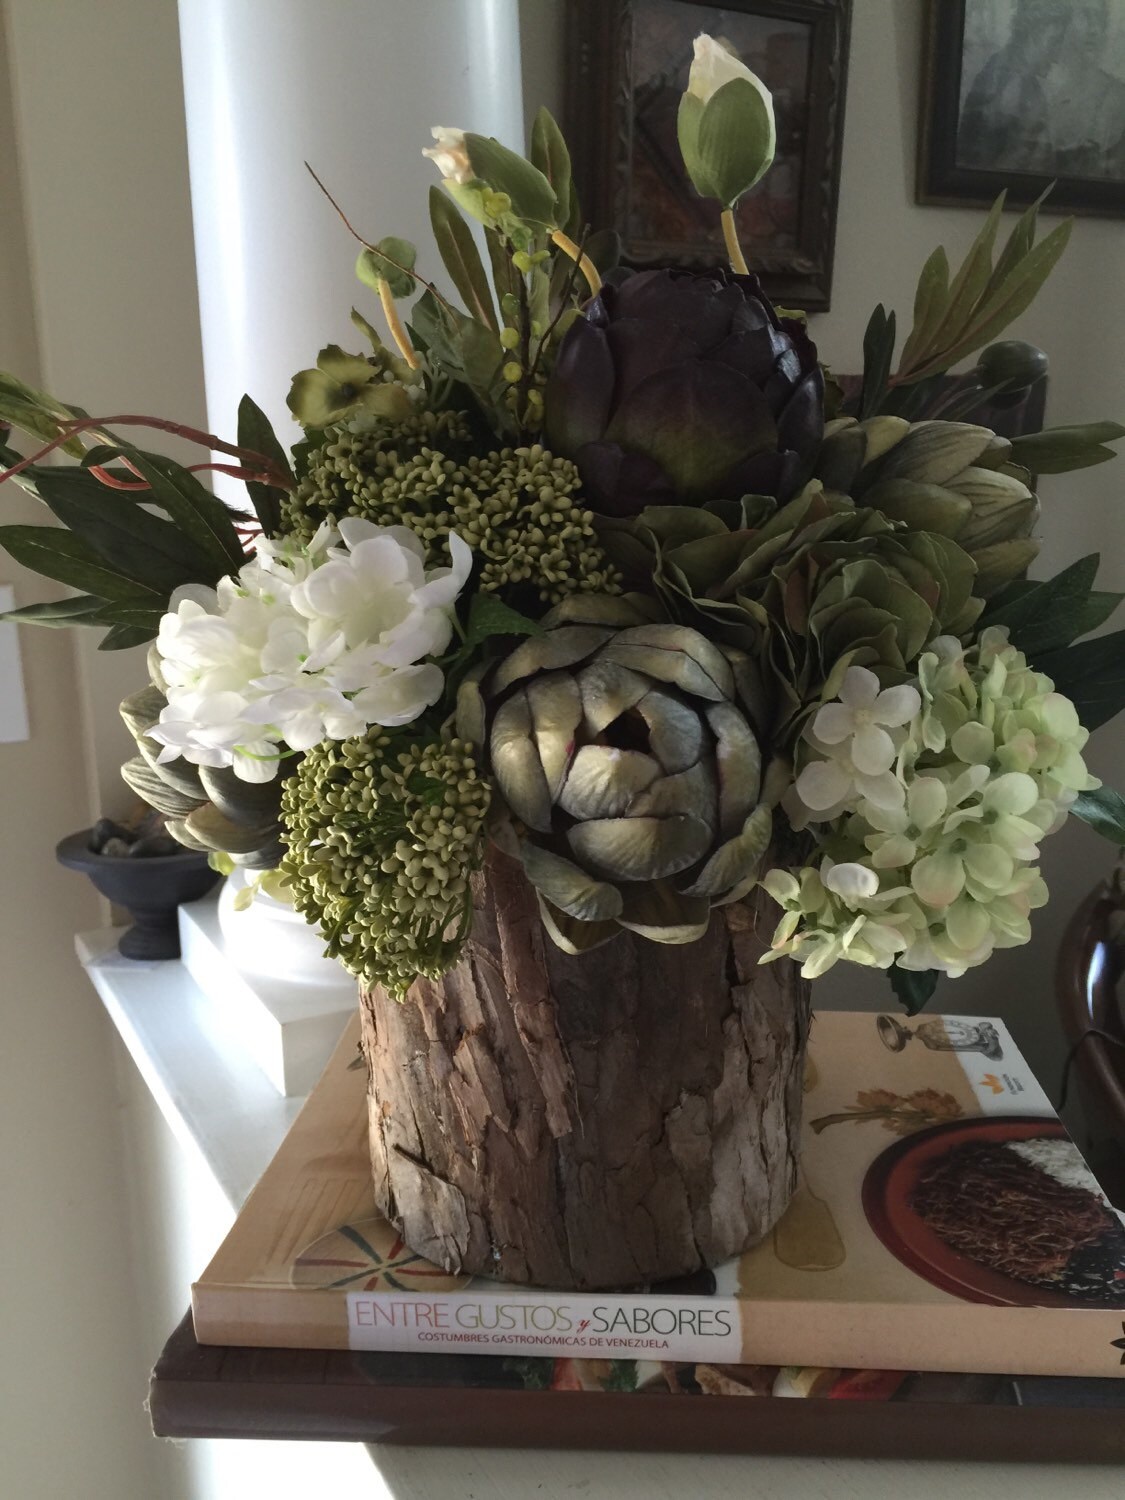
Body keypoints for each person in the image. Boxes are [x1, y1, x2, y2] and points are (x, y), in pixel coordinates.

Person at [957, 0, 1070, 173]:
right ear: (1034, 32)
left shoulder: (1025, 82)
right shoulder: (1005, 80)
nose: (1057, 56)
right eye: (1054, 41)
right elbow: (987, 163)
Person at [1046, 0, 1125, 180]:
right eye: (1086, 16)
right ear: (1064, 22)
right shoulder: (1040, 85)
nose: (1094, 29)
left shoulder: (1118, 95)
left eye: (1100, 19)